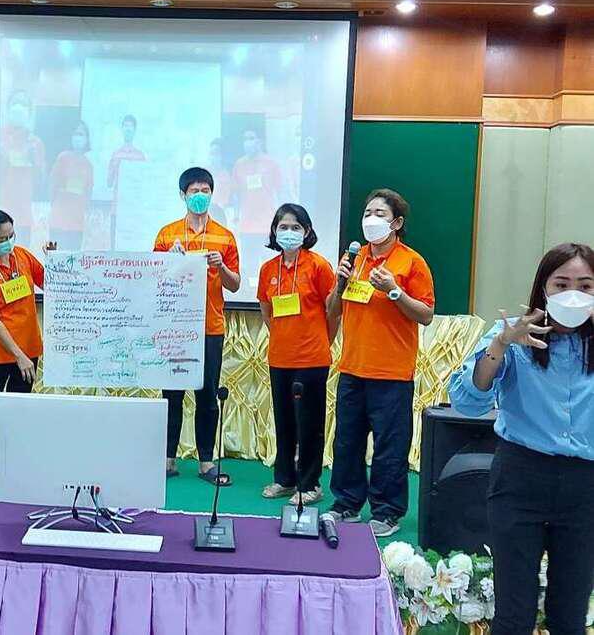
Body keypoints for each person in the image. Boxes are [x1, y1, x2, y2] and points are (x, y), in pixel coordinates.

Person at [449, 243, 594, 635]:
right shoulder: (513, 332)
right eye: (561, 284)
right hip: (521, 477)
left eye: (585, 286)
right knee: (514, 613)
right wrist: (501, 345)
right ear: (543, 289)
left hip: (585, 487)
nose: (573, 295)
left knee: (571, 614)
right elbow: (468, 401)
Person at [326, 188, 435, 537]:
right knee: (347, 442)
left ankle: (387, 512)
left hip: (391, 372)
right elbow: (333, 311)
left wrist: (394, 290)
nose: (371, 220)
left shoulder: (411, 262)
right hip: (352, 368)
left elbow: (426, 314)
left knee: (389, 447)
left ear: (397, 223)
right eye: (367, 213)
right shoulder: (355, 258)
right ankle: (346, 504)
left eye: (380, 214)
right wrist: (340, 283)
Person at [154, 167, 240, 484]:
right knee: (172, 395)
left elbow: (234, 284)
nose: (200, 196)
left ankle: (206, 462)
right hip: (174, 328)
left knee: (206, 396)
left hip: (209, 328)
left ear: (212, 194)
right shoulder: (167, 234)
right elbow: (153, 278)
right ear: (183, 195)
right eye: (194, 191)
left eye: (205, 190)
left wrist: (221, 266)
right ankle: (168, 460)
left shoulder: (224, 236)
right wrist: (169, 260)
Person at [257, 204, 336, 504]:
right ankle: (285, 480)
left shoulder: (318, 266)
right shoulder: (268, 269)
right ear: (274, 231)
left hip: (312, 358)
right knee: (285, 421)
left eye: (295, 227)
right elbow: (267, 311)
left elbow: (333, 311)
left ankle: (310, 484)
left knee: (309, 424)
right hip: (280, 358)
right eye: (283, 227)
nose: (288, 232)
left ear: (307, 231)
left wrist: (322, 341)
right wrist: (283, 336)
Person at [0, 210, 52, 485]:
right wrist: (18, 355)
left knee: (20, 406)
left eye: (11, 235)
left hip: (29, 348)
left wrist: (55, 261)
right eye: (2, 239)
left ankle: (15, 458)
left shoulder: (23, 257)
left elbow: (49, 283)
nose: (9, 242)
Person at [231, 129, 284, 274]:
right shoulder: (239, 164)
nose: (248, 142)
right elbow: (236, 194)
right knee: (249, 267)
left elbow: (280, 192)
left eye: (251, 138)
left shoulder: (271, 164)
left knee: (271, 267)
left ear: (259, 141)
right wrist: (236, 217)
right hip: (247, 226)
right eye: (245, 139)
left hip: (267, 224)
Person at [0, 89, 45, 246]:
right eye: (15, 103)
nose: (19, 107)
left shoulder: (35, 143)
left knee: (22, 252)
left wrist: (34, 160)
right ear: (8, 109)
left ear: (29, 112)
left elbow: (41, 181)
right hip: (1, 209)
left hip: (24, 213)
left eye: (23, 104)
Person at [49, 121, 93, 250]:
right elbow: (52, 184)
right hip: (59, 220)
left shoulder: (88, 165)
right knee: (56, 257)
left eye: (81, 134)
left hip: (77, 223)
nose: (78, 137)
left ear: (87, 139)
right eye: (76, 134)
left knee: (73, 258)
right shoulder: (63, 158)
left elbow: (88, 192)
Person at [106, 114, 146, 190]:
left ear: (135, 130)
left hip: (136, 195)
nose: (128, 129)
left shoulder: (140, 156)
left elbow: (144, 183)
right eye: (126, 126)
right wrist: (113, 168)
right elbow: (109, 184)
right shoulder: (116, 155)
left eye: (131, 126)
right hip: (119, 197)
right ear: (122, 129)